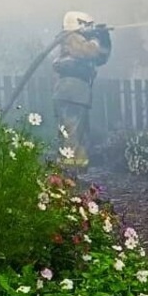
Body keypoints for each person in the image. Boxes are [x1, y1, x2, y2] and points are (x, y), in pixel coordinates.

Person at [52, 11, 111, 175]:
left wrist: (104, 38)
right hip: (71, 93)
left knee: (78, 135)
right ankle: (68, 174)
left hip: (76, 94)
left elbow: (100, 58)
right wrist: (96, 38)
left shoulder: (78, 39)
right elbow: (89, 51)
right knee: (72, 135)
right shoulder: (71, 37)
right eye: (88, 25)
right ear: (78, 24)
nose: (90, 28)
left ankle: (75, 171)